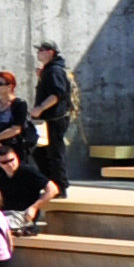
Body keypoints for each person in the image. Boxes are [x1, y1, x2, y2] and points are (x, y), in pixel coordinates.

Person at [34, 42, 83, 193]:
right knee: (43, 152)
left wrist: (40, 108)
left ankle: (60, 187)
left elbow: (57, 94)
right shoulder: (50, 70)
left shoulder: (54, 71)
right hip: (50, 119)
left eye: (41, 50)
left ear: (51, 52)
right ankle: (52, 185)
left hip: (55, 119)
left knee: (55, 153)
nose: (38, 53)